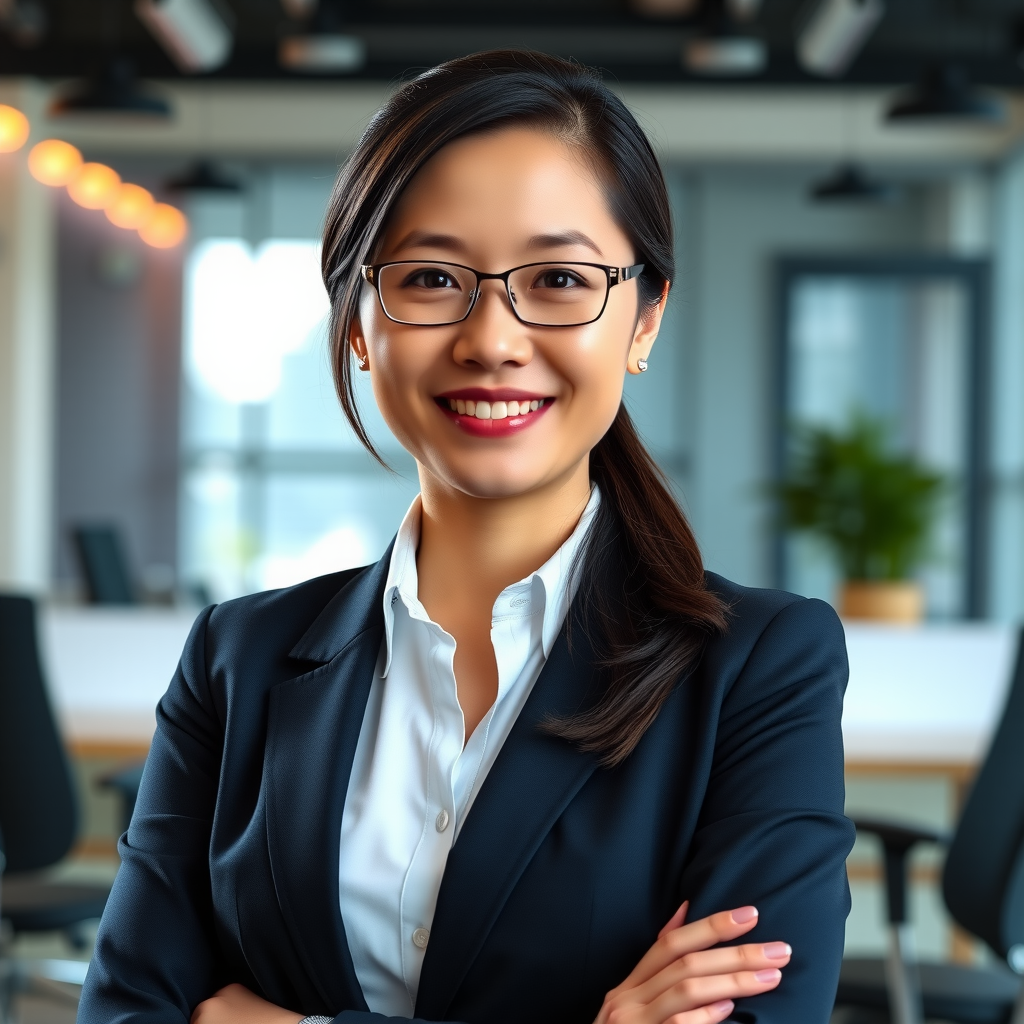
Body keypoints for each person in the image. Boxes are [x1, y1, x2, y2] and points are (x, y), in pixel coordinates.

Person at [78, 50, 854, 1024]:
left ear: (644, 317)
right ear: (358, 321)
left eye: (561, 277)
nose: (492, 338)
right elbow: (123, 1011)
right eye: (434, 276)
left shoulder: (756, 667)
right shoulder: (236, 661)